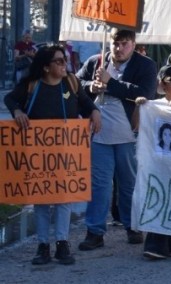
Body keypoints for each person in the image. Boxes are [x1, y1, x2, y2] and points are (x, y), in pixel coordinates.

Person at [5, 45, 101, 265]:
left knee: (64, 198)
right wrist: (17, 111)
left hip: (66, 152)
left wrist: (95, 113)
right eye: (59, 61)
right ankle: (42, 245)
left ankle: (62, 243)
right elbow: (10, 100)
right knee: (41, 200)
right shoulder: (32, 85)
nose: (64, 65)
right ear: (46, 67)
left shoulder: (71, 83)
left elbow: (86, 105)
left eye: (64, 60)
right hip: (38, 154)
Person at [77, 29, 157, 251]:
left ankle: (133, 226)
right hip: (99, 135)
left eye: (124, 43)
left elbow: (146, 93)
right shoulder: (96, 61)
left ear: (133, 44)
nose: (119, 48)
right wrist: (90, 87)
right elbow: (74, 82)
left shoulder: (145, 65)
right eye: (115, 43)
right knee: (100, 185)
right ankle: (94, 231)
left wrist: (111, 83)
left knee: (129, 183)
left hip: (129, 135)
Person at [136, 64, 171, 260]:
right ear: (162, 84)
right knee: (159, 199)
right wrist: (140, 107)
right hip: (159, 163)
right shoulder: (153, 106)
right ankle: (156, 244)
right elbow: (136, 125)